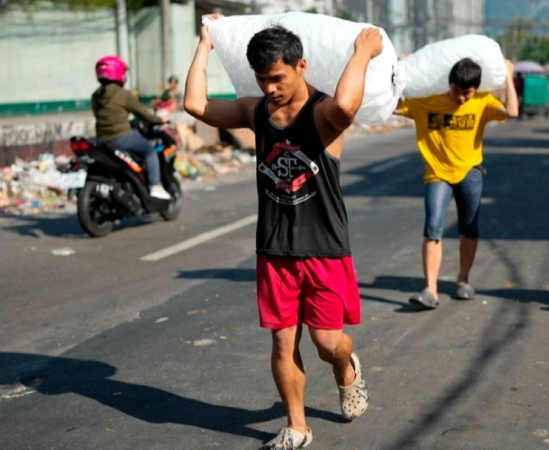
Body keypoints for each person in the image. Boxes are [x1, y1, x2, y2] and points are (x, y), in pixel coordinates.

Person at [183, 16, 382, 450]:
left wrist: (363, 52)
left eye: (277, 77)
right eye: (261, 79)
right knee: (281, 341)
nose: (270, 87)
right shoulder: (256, 112)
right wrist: (205, 45)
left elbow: (349, 108)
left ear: (301, 66)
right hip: (274, 248)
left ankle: (346, 368)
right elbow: (196, 106)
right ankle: (297, 426)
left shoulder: (323, 114)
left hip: (324, 248)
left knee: (328, 343)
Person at [397, 58, 518, 308]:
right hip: (437, 173)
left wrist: (507, 75)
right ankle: (430, 289)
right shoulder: (427, 102)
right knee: (433, 228)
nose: (461, 98)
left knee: (469, 228)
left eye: (467, 93)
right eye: (456, 91)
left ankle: (463, 280)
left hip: (469, 172)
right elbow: (392, 106)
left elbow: (513, 111)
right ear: (449, 84)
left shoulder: (483, 102)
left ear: (475, 90)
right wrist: (400, 72)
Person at [91, 56, 171, 199]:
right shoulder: (122, 94)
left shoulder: (96, 95)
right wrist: (160, 119)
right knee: (150, 151)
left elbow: (100, 115)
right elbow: (144, 113)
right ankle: (155, 185)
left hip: (102, 139)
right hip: (121, 137)